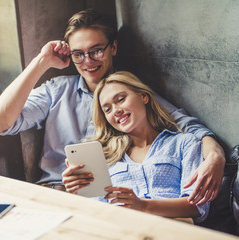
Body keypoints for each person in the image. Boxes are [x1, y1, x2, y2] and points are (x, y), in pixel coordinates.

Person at [0, 9, 225, 205]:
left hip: (102, 200)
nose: (88, 62)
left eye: (96, 51)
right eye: (78, 54)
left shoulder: (133, 94)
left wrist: (215, 157)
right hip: (51, 192)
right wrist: (41, 62)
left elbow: (189, 127)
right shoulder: (56, 90)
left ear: (113, 48)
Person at [62, 71, 210, 223]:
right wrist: (75, 193)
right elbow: (94, 213)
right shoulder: (104, 157)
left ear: (143, 96)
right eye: (107, 109)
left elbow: (197, 206)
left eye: (120, 99)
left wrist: (143, 206)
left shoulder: (184, 143)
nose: (116, 110)